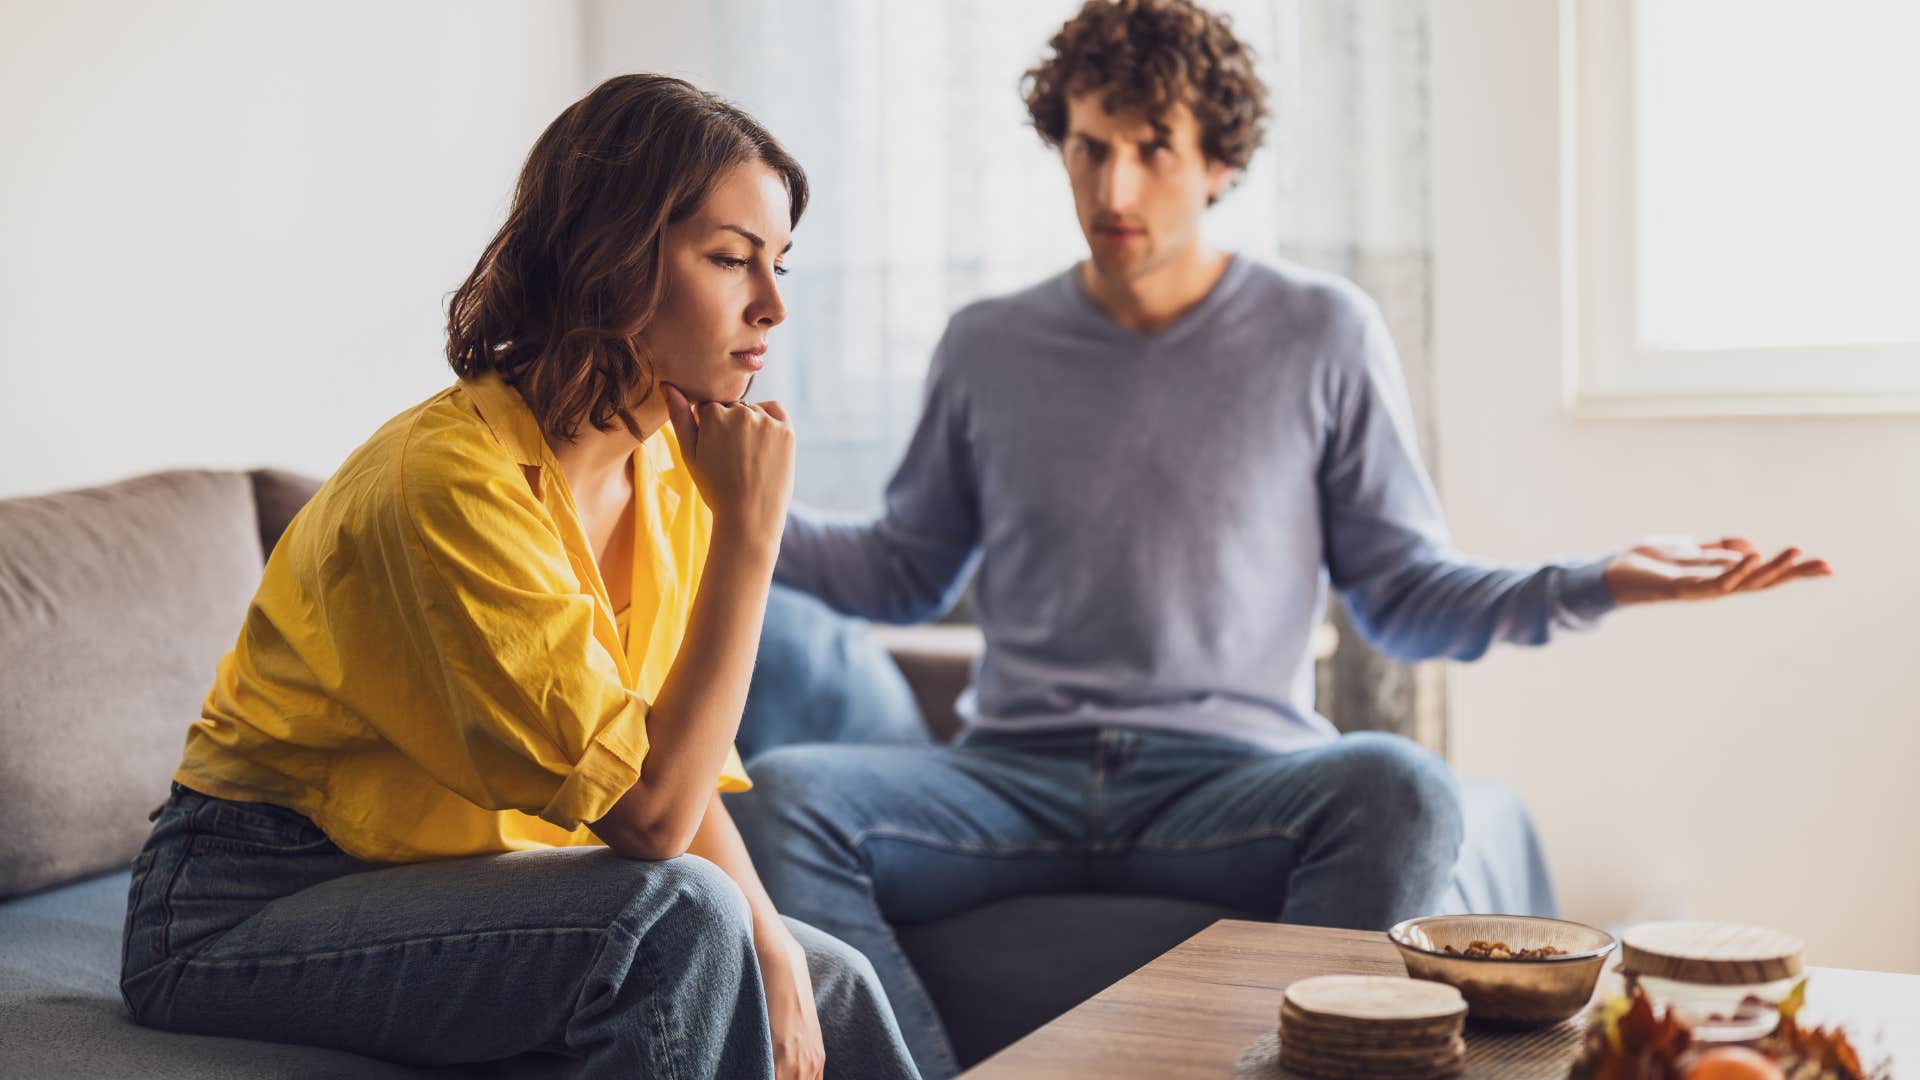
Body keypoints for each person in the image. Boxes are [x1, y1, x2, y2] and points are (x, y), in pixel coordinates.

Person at [725, 3, 1834, 1077]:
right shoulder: (985, 345)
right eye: (1087, 146)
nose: (1113, 186)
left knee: (1400, 786)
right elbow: (906, 573)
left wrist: (1595, 583)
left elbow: (1399, 591)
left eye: (1152, 147)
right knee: (779, 794)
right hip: (1010, 782)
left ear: (1218, 162)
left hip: (1232, 782)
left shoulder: (1321, 330)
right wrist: (731, 496)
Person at [119, 74, 920, 1080]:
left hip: (448, 880)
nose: (772, 307)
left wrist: (771, 935)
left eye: (780, 267)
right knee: (673, 915)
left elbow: (664, 755)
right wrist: (748, 540)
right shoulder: (447, 483)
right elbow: (649, 819)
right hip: (240, 906)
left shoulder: (665, 464)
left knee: (825, 977)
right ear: (612, 258)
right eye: (730, 259)